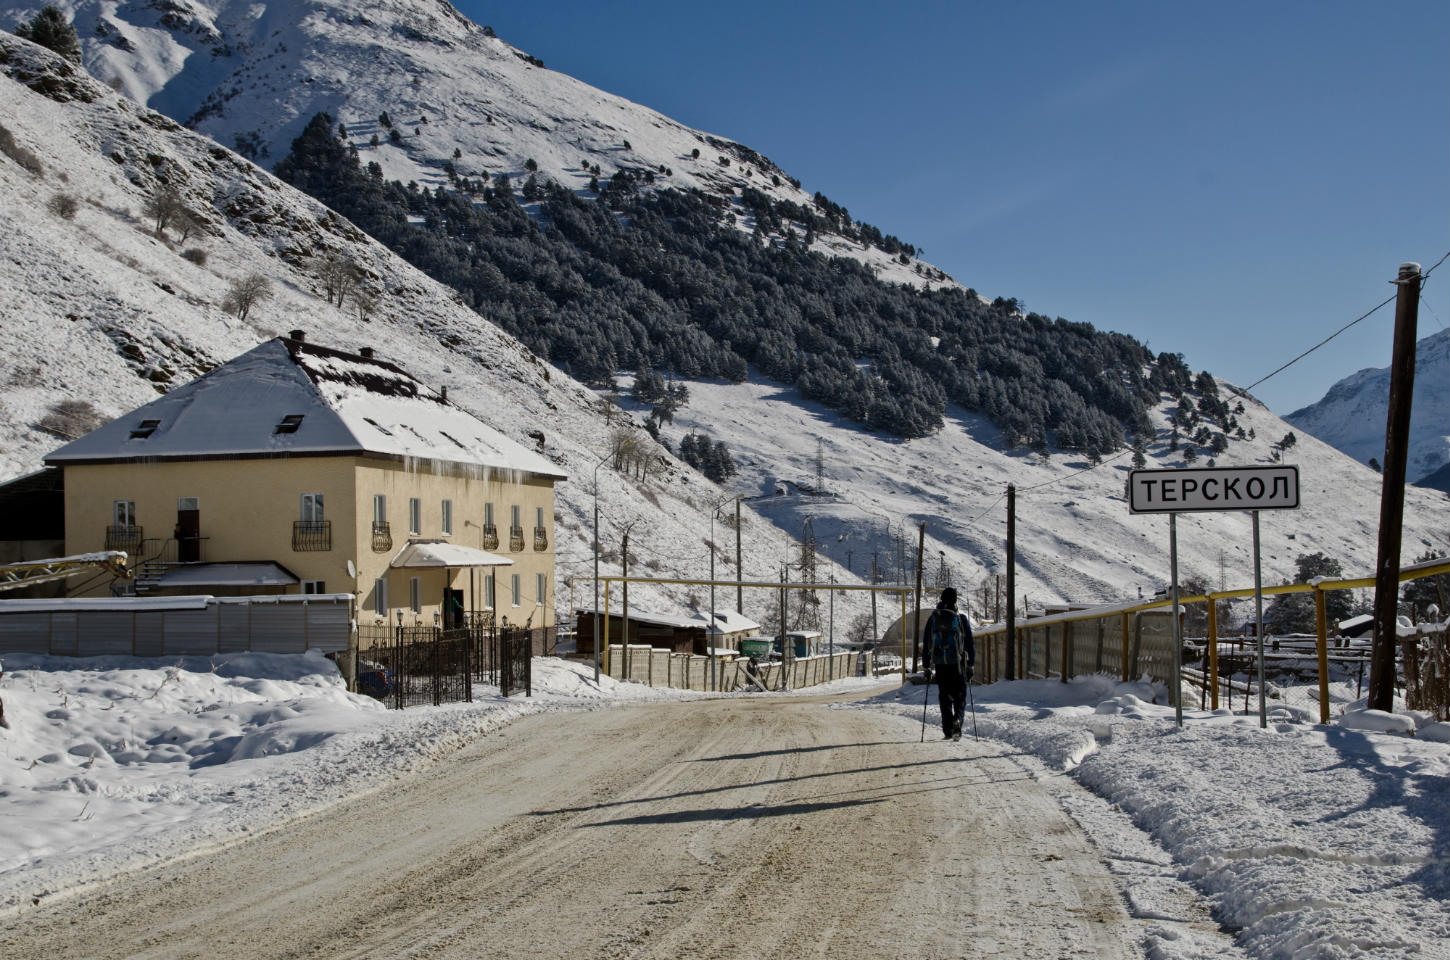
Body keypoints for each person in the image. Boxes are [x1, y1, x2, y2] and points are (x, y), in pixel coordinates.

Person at [921, 587, 975, 741]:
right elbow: (970, 644)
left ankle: (948, 730)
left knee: (944, 696)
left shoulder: (933, 619)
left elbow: (926, 644)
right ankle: (958, 719)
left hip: (940, 664)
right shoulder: (961, 619)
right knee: (960, 695)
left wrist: (926, 666)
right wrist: (971, 664)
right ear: (955, 600)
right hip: (957, 664)